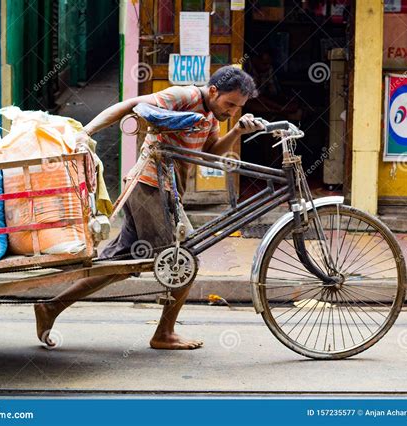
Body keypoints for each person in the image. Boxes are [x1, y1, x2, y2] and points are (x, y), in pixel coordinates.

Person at [34, 65, 265, 350]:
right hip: (150, 187)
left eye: (238, 108)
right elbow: (129, 106)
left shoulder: (211, 115)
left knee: (121, 265)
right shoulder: (184, 96)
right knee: (183, 262)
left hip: (162, 191)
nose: (231, 112)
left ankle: (51, 307)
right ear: (214, 91)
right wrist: (86, 132)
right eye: (230, 104)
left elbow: (210, 153)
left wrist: (237, 131)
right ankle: (164, 334)